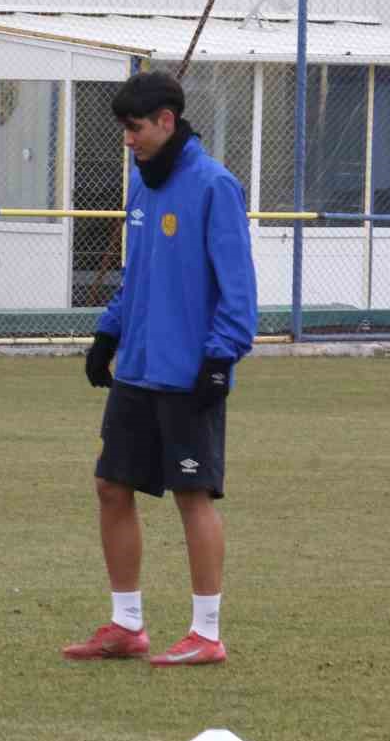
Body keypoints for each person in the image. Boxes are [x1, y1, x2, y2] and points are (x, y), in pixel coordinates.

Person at [65, 70, 258, 667]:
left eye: (136, 128)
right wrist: (108, 332)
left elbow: (239, 290)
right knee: (110, 487)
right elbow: (137, 275)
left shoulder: (214, 185)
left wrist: (221, 359)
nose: (129, 140)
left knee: (191, 495)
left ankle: (207, 633)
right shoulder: (142, 185)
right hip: (137, 371)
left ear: (167, 121)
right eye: (124, 129)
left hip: (188, 374)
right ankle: (127, 625)